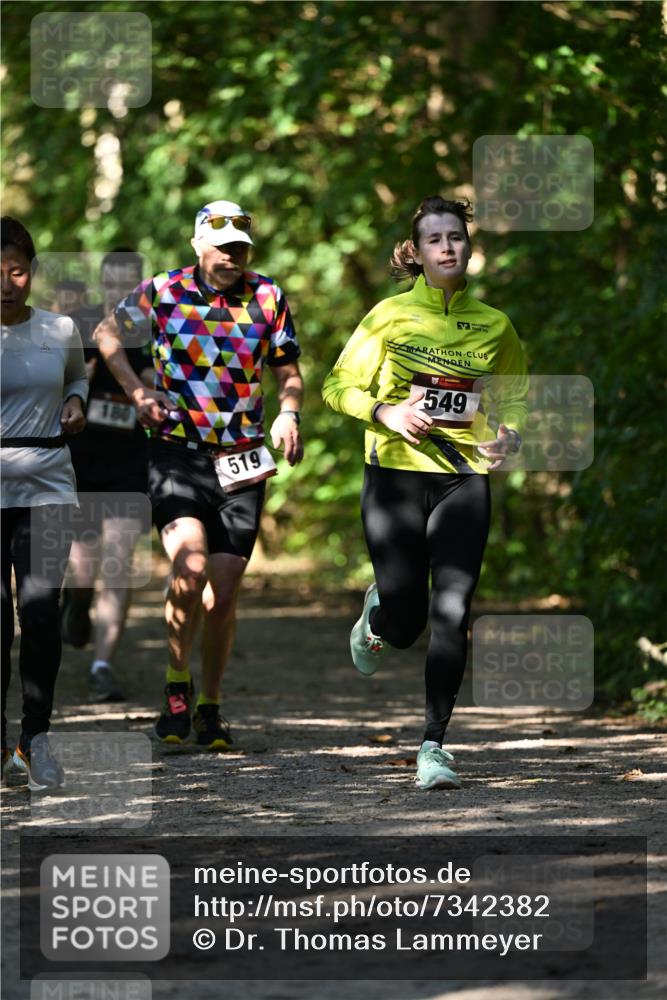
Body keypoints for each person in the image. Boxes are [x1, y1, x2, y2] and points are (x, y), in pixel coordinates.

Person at [323, 195, 528, 791]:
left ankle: (434, 745)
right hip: (394, 477)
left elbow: (512, 397)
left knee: (454, 611)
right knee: (408, 620)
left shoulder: (495, 325)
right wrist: (385, 412)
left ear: (469, 247)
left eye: (457, 238)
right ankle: (378, 619)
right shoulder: (387, 316)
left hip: (465, 477)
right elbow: (339, 386)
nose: (447, 247)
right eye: (435, 239)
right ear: (415, 252)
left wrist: (509, 434)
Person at [95, 199, 304, 750]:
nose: (234, 255)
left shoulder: (267, 296)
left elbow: (287, 370)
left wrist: (288, 411)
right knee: (188, 568)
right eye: (224, 244)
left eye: (242, 246)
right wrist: (138, 391)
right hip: (176, 453)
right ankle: (175, 685)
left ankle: (210, 705)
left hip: (242, 460)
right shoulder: (162, 291)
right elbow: (106, 335)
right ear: (198, 244)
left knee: (225, 591)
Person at [1, 217, 88, 789]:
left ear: (31, 272)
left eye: (17, 271)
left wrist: (77, 403)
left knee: (38, 612)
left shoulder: (59, 329)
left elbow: (78, 378)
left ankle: (36, 739)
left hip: (49, 484)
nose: (7, 282)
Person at [60, 249, 152, 704]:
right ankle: (76, 605)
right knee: (82, 566)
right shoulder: (78, 325)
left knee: (117, 563)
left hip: (130, 462)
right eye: (112, 282)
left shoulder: (155, 329)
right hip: (82, 460)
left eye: (128, 283)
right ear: (102, 283)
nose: (120, 291)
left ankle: (102, 667)